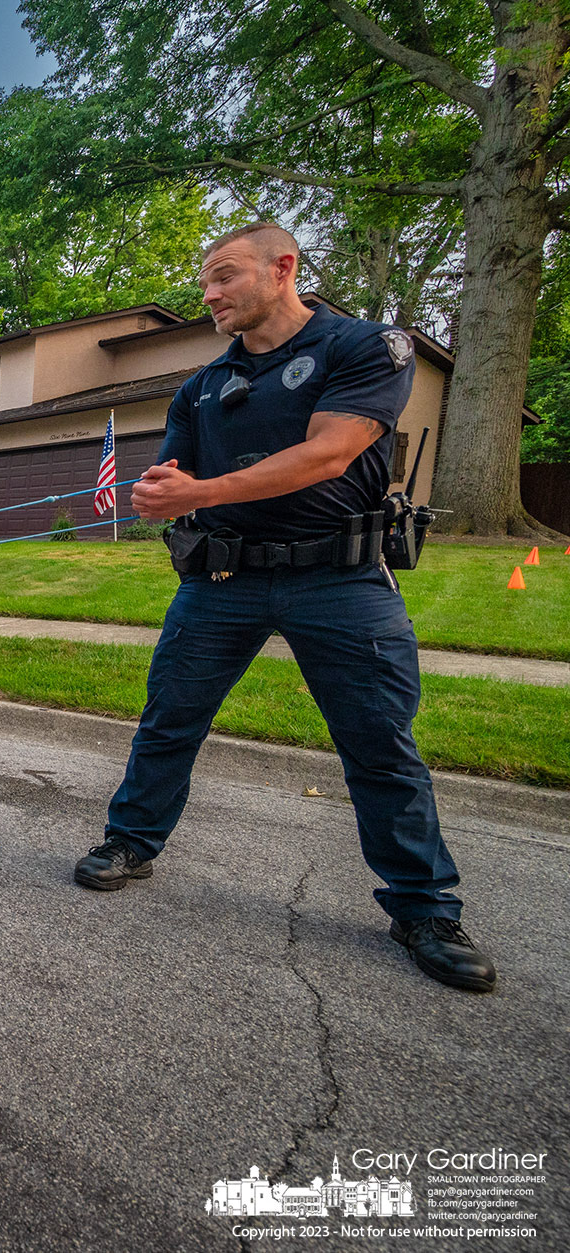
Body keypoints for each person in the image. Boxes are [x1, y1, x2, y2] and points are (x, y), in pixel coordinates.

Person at [75, 222, 495, 993]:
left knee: (378, 742)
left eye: (224, 276)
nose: (208, 295)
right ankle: (130, 840)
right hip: (222, 582)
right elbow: (173, 480)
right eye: (203, 283)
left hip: (340, 579)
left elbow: (328, 453)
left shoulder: (364, 348)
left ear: (283, 268)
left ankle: (424, 906)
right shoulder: (201, 386)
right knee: (169, 718)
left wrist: (199, 492)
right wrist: (156, 495)